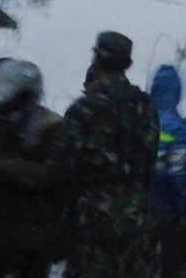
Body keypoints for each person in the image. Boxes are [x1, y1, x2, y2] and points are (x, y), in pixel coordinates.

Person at [48, 31, 159, 278]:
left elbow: (60, 168)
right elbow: (151, 160)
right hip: (137, 217)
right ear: (127, 64)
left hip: (95, 220)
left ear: (96, 60)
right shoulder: (147, 106)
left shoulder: (84, 108)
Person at [0, 58, 63, 278]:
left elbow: (55, 177)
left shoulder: (51, 127)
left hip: (32, 237)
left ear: (27, 96)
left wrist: (2, 167)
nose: (2, 107)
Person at [150, 64, 186, 278]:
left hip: (136, 208)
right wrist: (184, 209)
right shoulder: (178, 128)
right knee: (170, 265)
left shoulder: (139, 119)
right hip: (167, 209)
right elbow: (178, 173)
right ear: (177, 92)